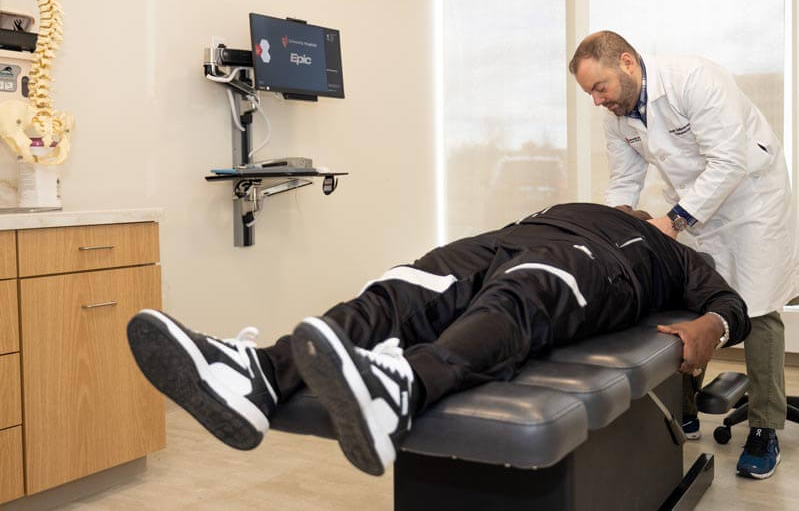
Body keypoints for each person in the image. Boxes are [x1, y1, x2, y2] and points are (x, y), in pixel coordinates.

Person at [127, 202, 750, 477]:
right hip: (506, 237)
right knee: (395, 292)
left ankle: (403, 386)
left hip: (600, 262)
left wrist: (710, 325)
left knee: (522, 298)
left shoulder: (669, 250)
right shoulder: (580, 200)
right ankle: (258, 376)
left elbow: (732, 306)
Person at [569, 31, 799, 479]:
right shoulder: (617, 115)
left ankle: (765, 428)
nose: (597, 101)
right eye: (589, 94)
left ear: (626, 62)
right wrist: (611, 227)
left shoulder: (694, 79)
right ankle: (685, 411)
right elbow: (624, 181)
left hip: (751, 200)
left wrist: (674, 221)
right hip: (694, 205)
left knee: (756, 310)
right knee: (688, 300)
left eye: (599, 87)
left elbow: (729, 162)